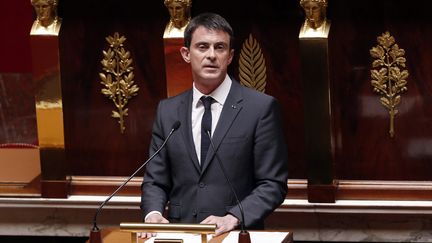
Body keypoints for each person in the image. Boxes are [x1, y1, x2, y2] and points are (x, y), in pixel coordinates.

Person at [141, 13, 288, 238]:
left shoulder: (260, 108)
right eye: (202, 47)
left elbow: (273, 184)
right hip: (180, 234)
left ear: (229, 57)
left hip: (236, 235)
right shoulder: (168, 111)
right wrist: (152, 213)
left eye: (219, 48)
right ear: (186, 54)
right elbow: (155, 180)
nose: (211, 55)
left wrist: (234, 217)